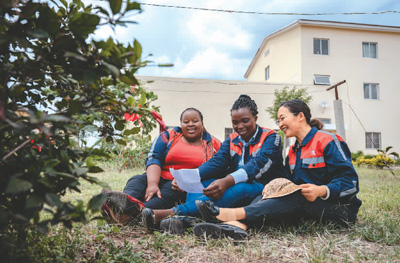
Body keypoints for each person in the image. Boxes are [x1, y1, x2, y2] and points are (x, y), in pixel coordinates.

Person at [193, 99, 362, 240]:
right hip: (307, 207)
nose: (280, 124)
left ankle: (225, 214)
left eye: (282, 118)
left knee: (295, 196)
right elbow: (291, 183)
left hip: (339, 208)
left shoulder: (327, 140)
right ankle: (237, 226)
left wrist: (322, 190)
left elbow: (351, 183)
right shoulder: (293, 151)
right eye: (278, 120)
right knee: (267, 195)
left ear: (300, 116)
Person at [142, 94, 285, 234]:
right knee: (201, 183)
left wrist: (226, 181)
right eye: (235, 122)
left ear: (255, 118)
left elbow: (257, 166)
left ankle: (171, 214)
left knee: (238, 188)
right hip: (234, 183)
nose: (240, 126)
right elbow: (217, 162)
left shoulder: (271, 137)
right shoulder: (233, 139)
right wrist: (189, 177)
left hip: (264, 187)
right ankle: (187, 221)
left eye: (245, 121)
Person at [101, 108, 221, 224]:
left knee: (164, 196)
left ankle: (126, 213)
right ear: (181, 124)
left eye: (195, 121)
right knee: (136, 181)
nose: (190, 124)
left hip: (179, 185)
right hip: (157, 175)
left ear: (202, 123)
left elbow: (218, 167)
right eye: (186, 122)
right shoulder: (169, 136)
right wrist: (152, 184)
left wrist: (187, 181)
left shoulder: (212, 143)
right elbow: (154, 157)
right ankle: (122, 203)